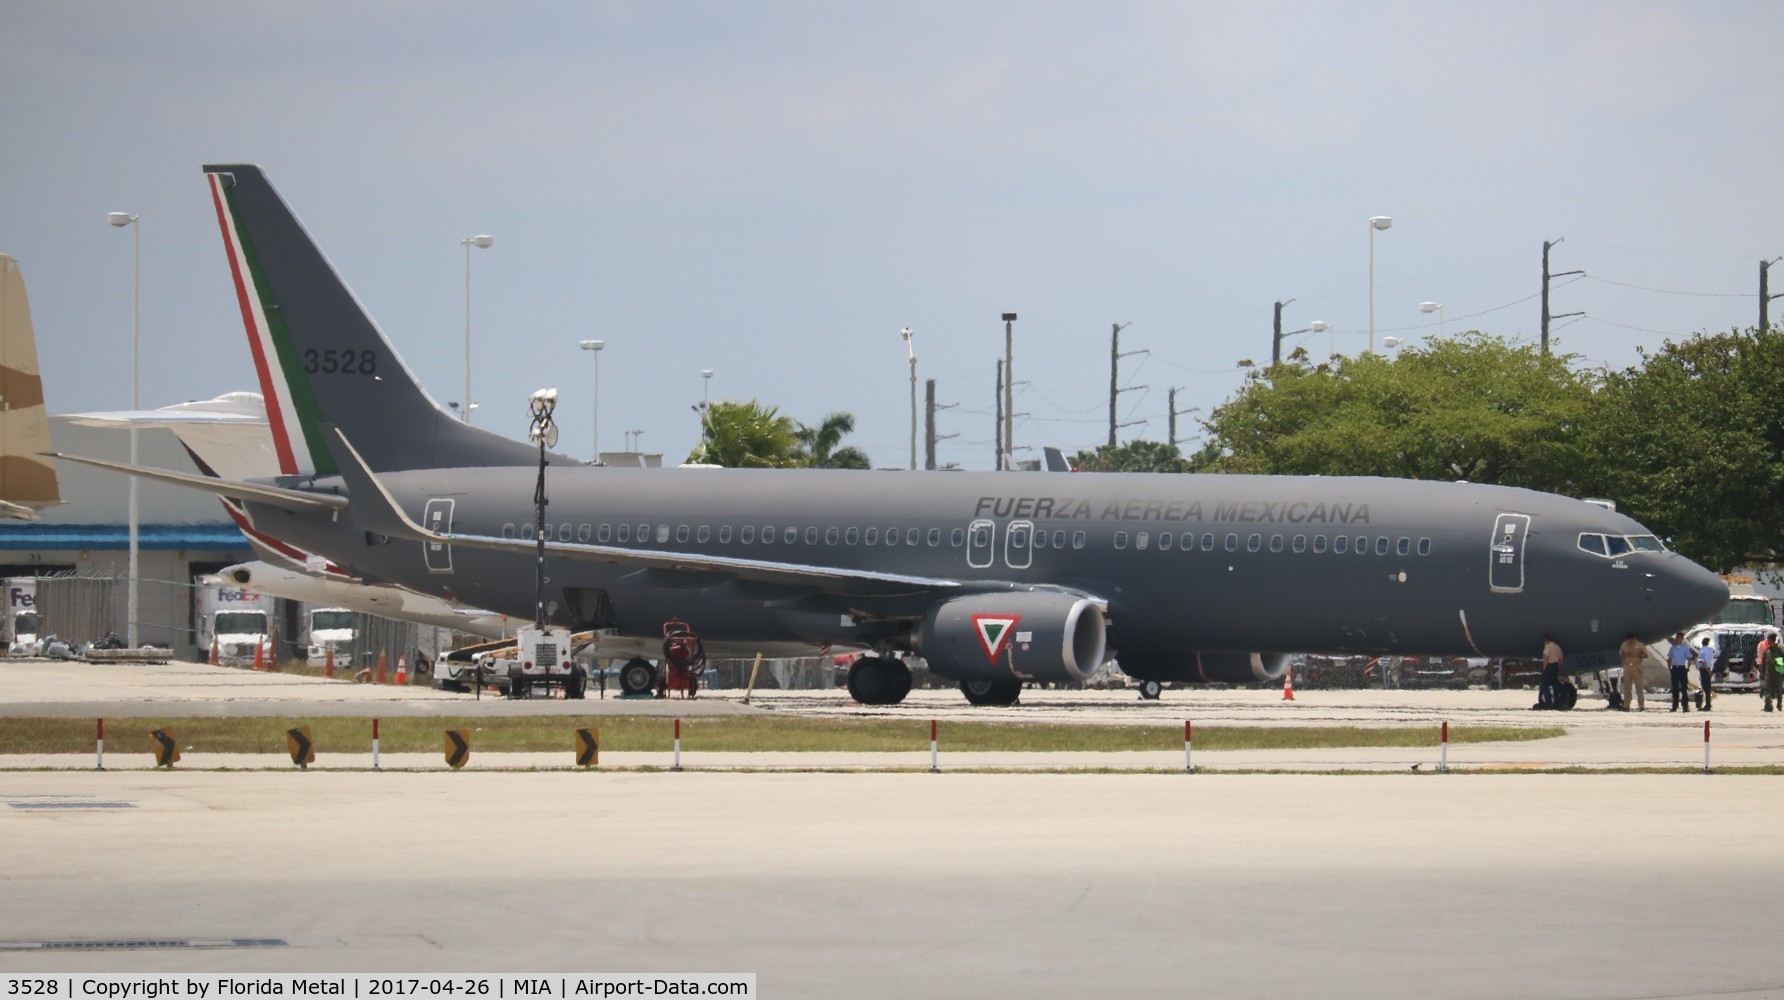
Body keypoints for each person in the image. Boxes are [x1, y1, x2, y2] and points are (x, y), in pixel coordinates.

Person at [1618, 632, 1647, 712]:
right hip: (1627, 666)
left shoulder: (1640, 645)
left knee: (1639, 687)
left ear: (1634, 639)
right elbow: (1621, 655)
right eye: (1628, 640)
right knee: (1627, 687)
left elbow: (1646, 655)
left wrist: (1638, 654)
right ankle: (1626, 705)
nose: (1630, 642)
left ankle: (1641, 705)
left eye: (1631, 640)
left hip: (1636, 665)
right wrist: (1627, 654)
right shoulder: (1624, 645)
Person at [1537, 635, 1564, 710]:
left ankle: (1548, 703)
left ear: (1546, 640)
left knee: (1545, 684)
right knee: (1555, 684)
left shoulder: (1548, 646)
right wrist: (1557, 667)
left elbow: (1546, 657)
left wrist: (1544, 667)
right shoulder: (1557, 647)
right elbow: (1561, 659)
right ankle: (1556, 703)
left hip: (1549, 666)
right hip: (1555, 666)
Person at [1667, 633, 1693, 712]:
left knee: (1684, 688)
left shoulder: (1685, 648)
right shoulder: (1673, 648)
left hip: (1682, 668)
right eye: (1676, 638)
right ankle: (1675, 706)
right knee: (1675, 688)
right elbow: (1669, 658)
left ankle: (1685, 706)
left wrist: (1688, 667)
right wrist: (1669, 667)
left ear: (1682, 639)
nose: (1677, 639)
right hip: (1675, 668)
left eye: (1679, 638)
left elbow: (1689, 658)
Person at [1697, 636, 1719, 711]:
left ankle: (1707, 705)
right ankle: (1708, 703)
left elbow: (1702, 662)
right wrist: (1710, 671)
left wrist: (1707, 670)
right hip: (1710, 669)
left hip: (1704, 670)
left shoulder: (1702, 650)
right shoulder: (1711, 650)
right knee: (1708, 688)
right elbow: (1713, 661)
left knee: (1705, 688)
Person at [1764, 631, 1784, 713]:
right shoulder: (1768, 650)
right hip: (1769, 673)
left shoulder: (1780, 649)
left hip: (1779, 673)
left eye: (1770, 641)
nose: (1768, 642)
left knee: (1779, 690)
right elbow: (1764, 661)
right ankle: (1768, 706)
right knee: (1767, 689)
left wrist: (1776, 661)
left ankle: (1779, 704)